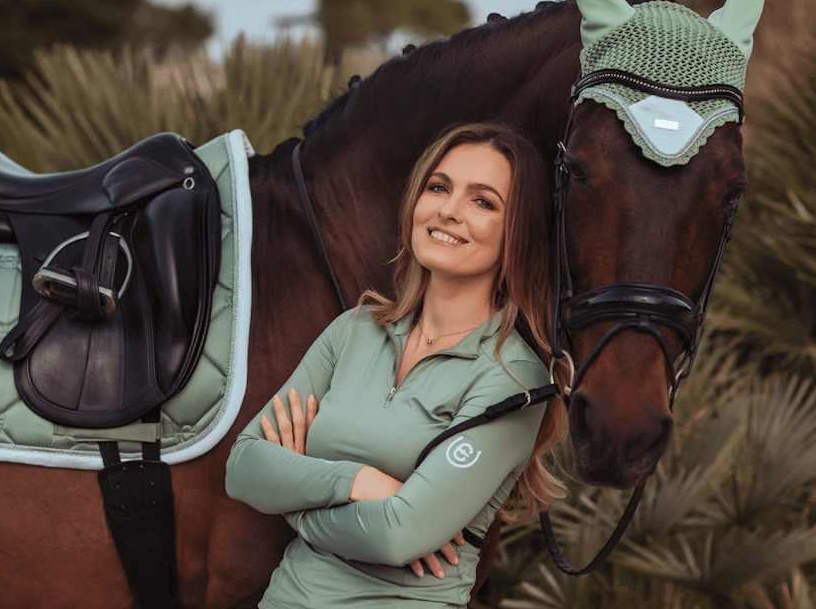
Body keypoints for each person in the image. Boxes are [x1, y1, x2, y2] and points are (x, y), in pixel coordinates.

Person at [226, 122, 570, 608]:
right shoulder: (354, 329)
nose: (449, 210)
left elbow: (396, 536)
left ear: (518, 231)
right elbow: (243, 467)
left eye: (483, 201)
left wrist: (292, 501)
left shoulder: (514, 377)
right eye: (439, 187)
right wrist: (357, 483)